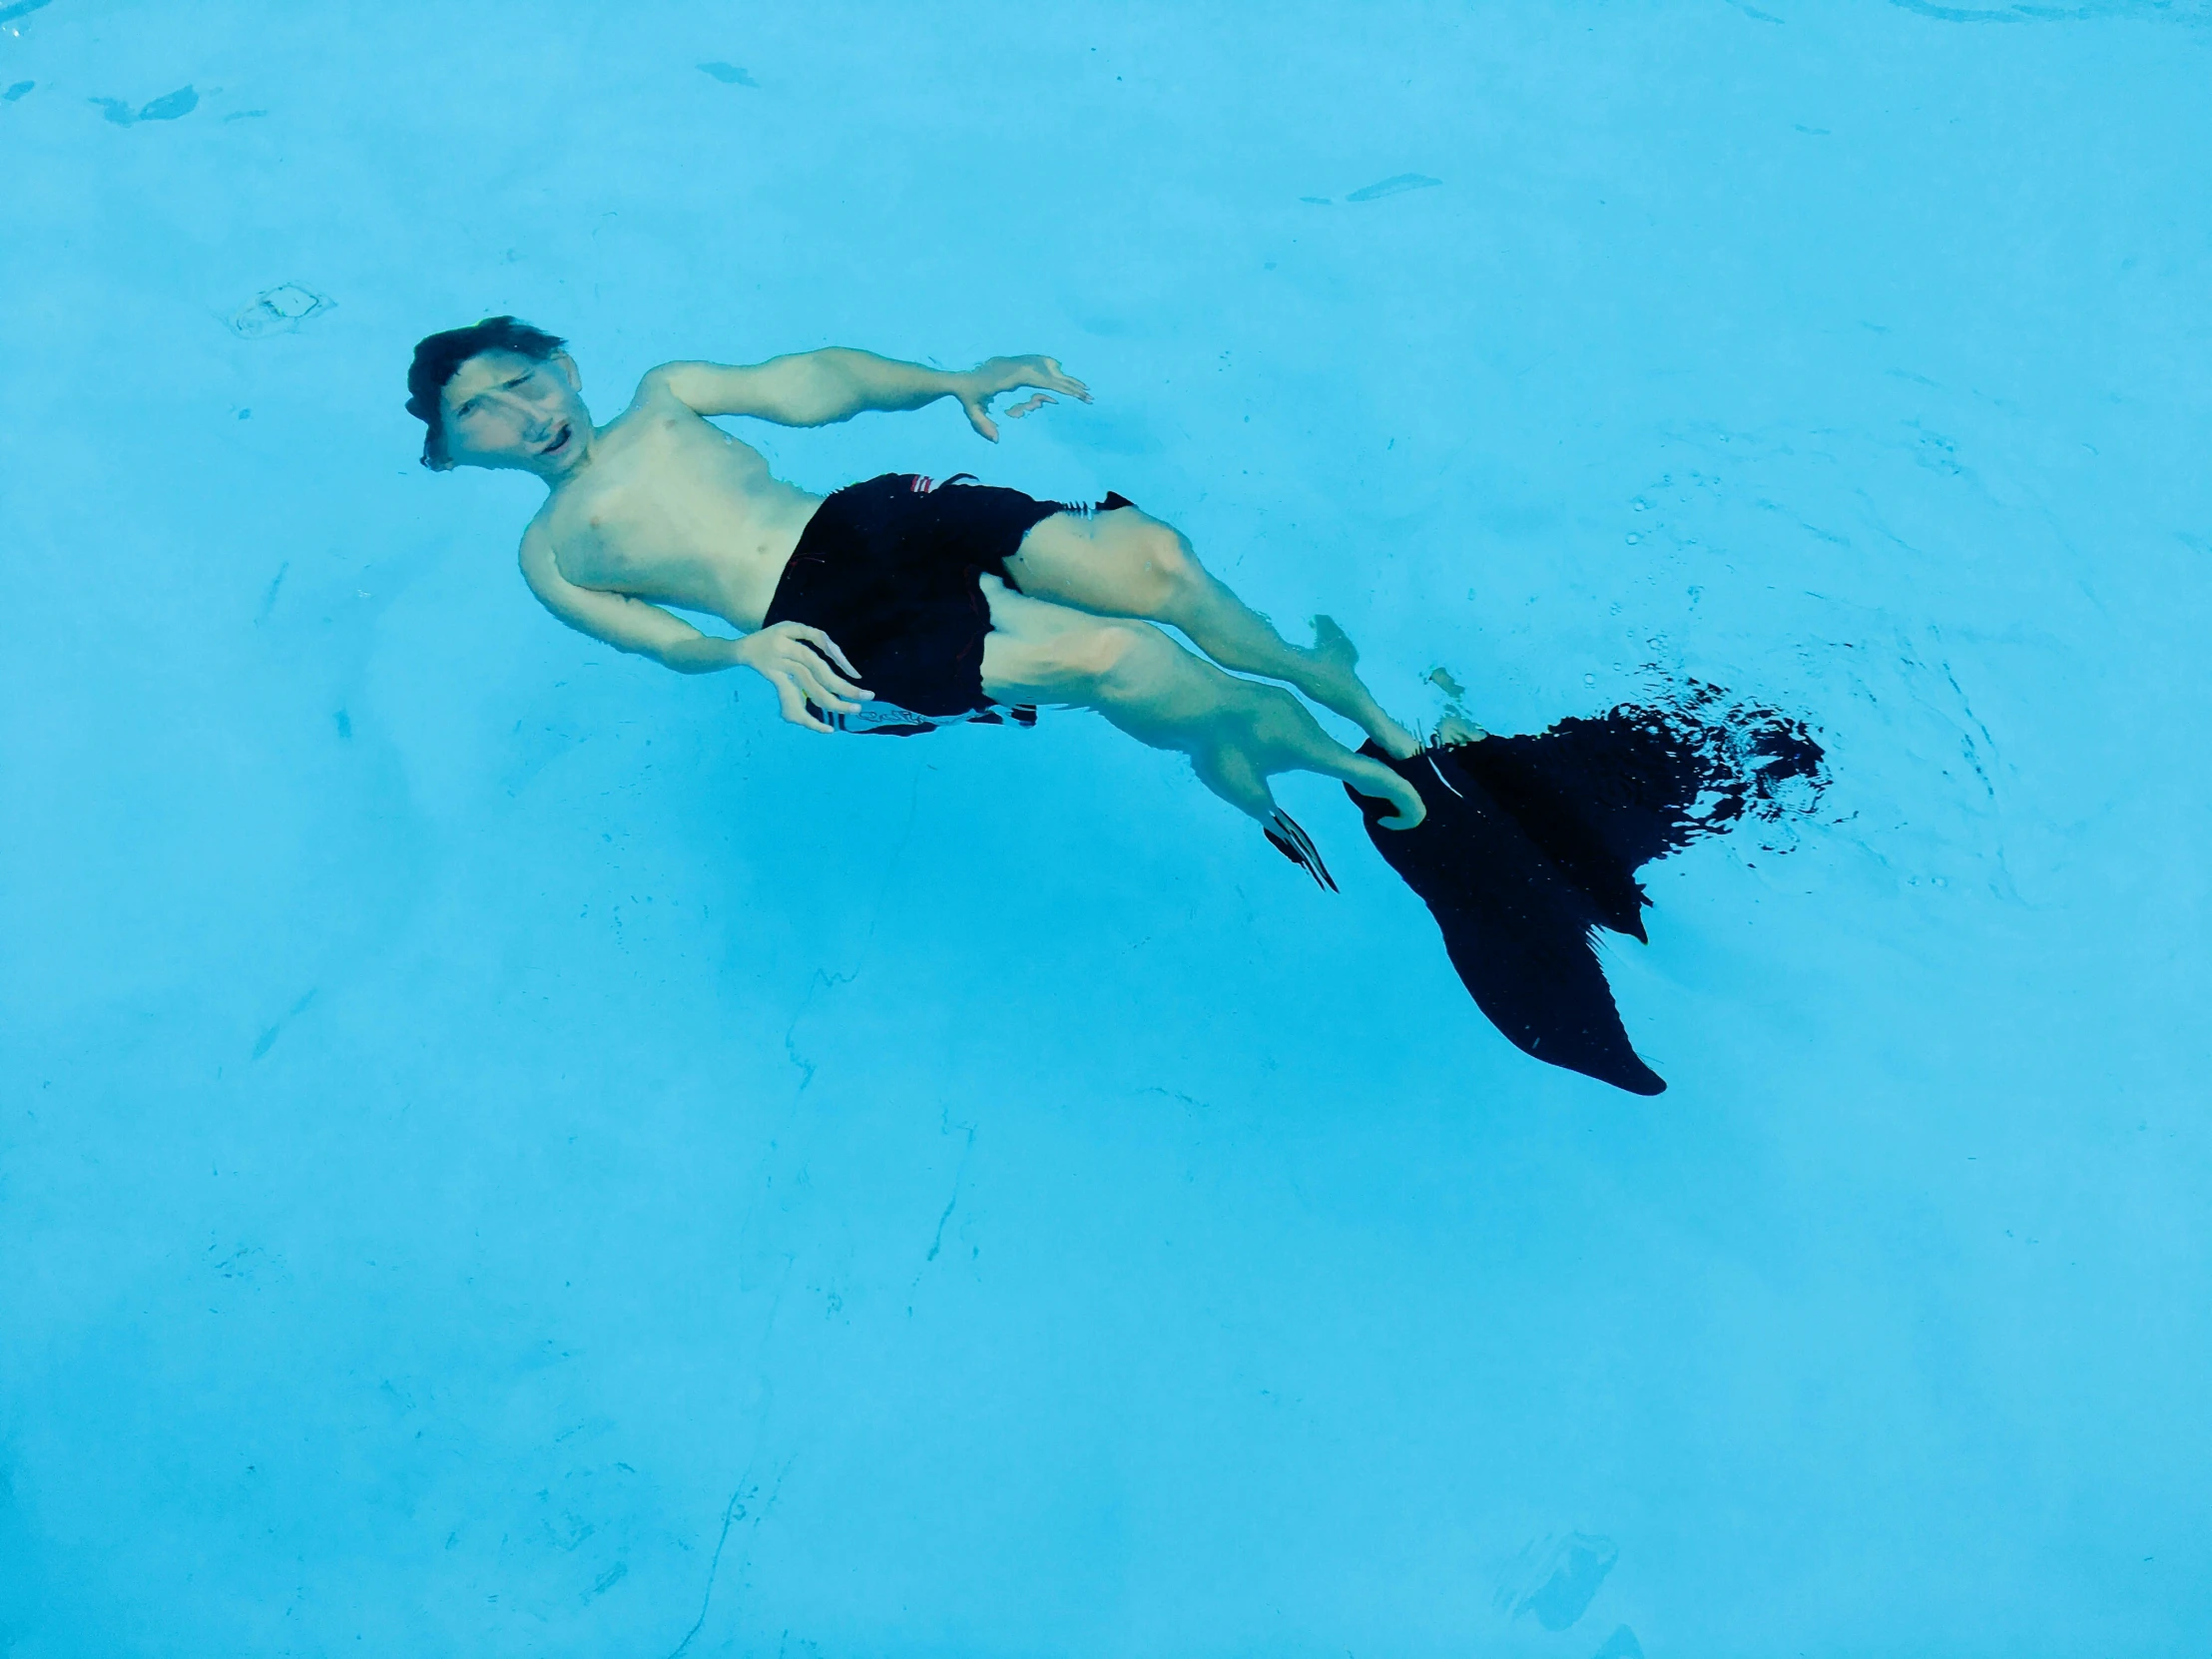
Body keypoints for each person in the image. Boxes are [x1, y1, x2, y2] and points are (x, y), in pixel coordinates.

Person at [404, 317, 1426, 876]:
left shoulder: (664, 396)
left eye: (522, 382)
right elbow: (655, 641)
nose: (520, 415)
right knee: (1123, 658)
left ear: (566, 367)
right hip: (822, 623)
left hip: (868, 519)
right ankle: (1237, 747)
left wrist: (947, 379)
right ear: (452, 457)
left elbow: (812, 381)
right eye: (478, 417)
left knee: (1151, 560)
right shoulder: (552, 556)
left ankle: (1308, 674)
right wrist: (736, 654)